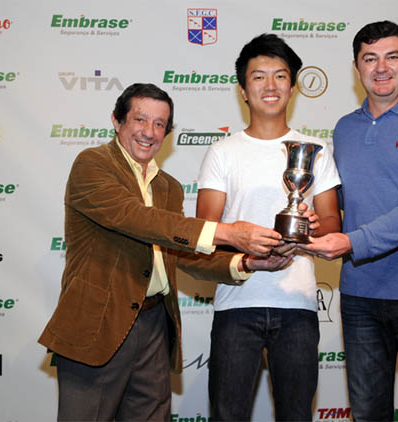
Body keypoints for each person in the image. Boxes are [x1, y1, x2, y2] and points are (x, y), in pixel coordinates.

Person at [38, 83, 291, 421]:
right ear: (117, 121)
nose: (149, 132)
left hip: (157, 324)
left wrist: (247, 261)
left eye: (160, 124)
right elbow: (136, 219)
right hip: (99, 324)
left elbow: (182, 252)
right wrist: (228, 232)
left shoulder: (167, 186)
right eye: (140, 120)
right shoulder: (92, 164)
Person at [299, 21, 398, 421]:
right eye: (370, 58)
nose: (381, 67)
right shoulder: (345, 128)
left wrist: (352, 242)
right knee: (368, 415)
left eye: (392, 56)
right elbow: (340, 203)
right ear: (357, 67)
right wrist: (315, 222)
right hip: (361, 297)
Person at [196, 33, 342, 421]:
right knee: (228, 414)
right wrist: (244, 245)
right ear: (243, 89)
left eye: (280, 76)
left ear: (293, 87)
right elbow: (205, 228)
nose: (270, 85)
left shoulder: (316, 150)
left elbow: (332, 222)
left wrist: (311, 225)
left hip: (297, 305)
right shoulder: (222, 152)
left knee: (296, 414)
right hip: (236, 301)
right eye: (258, 76)